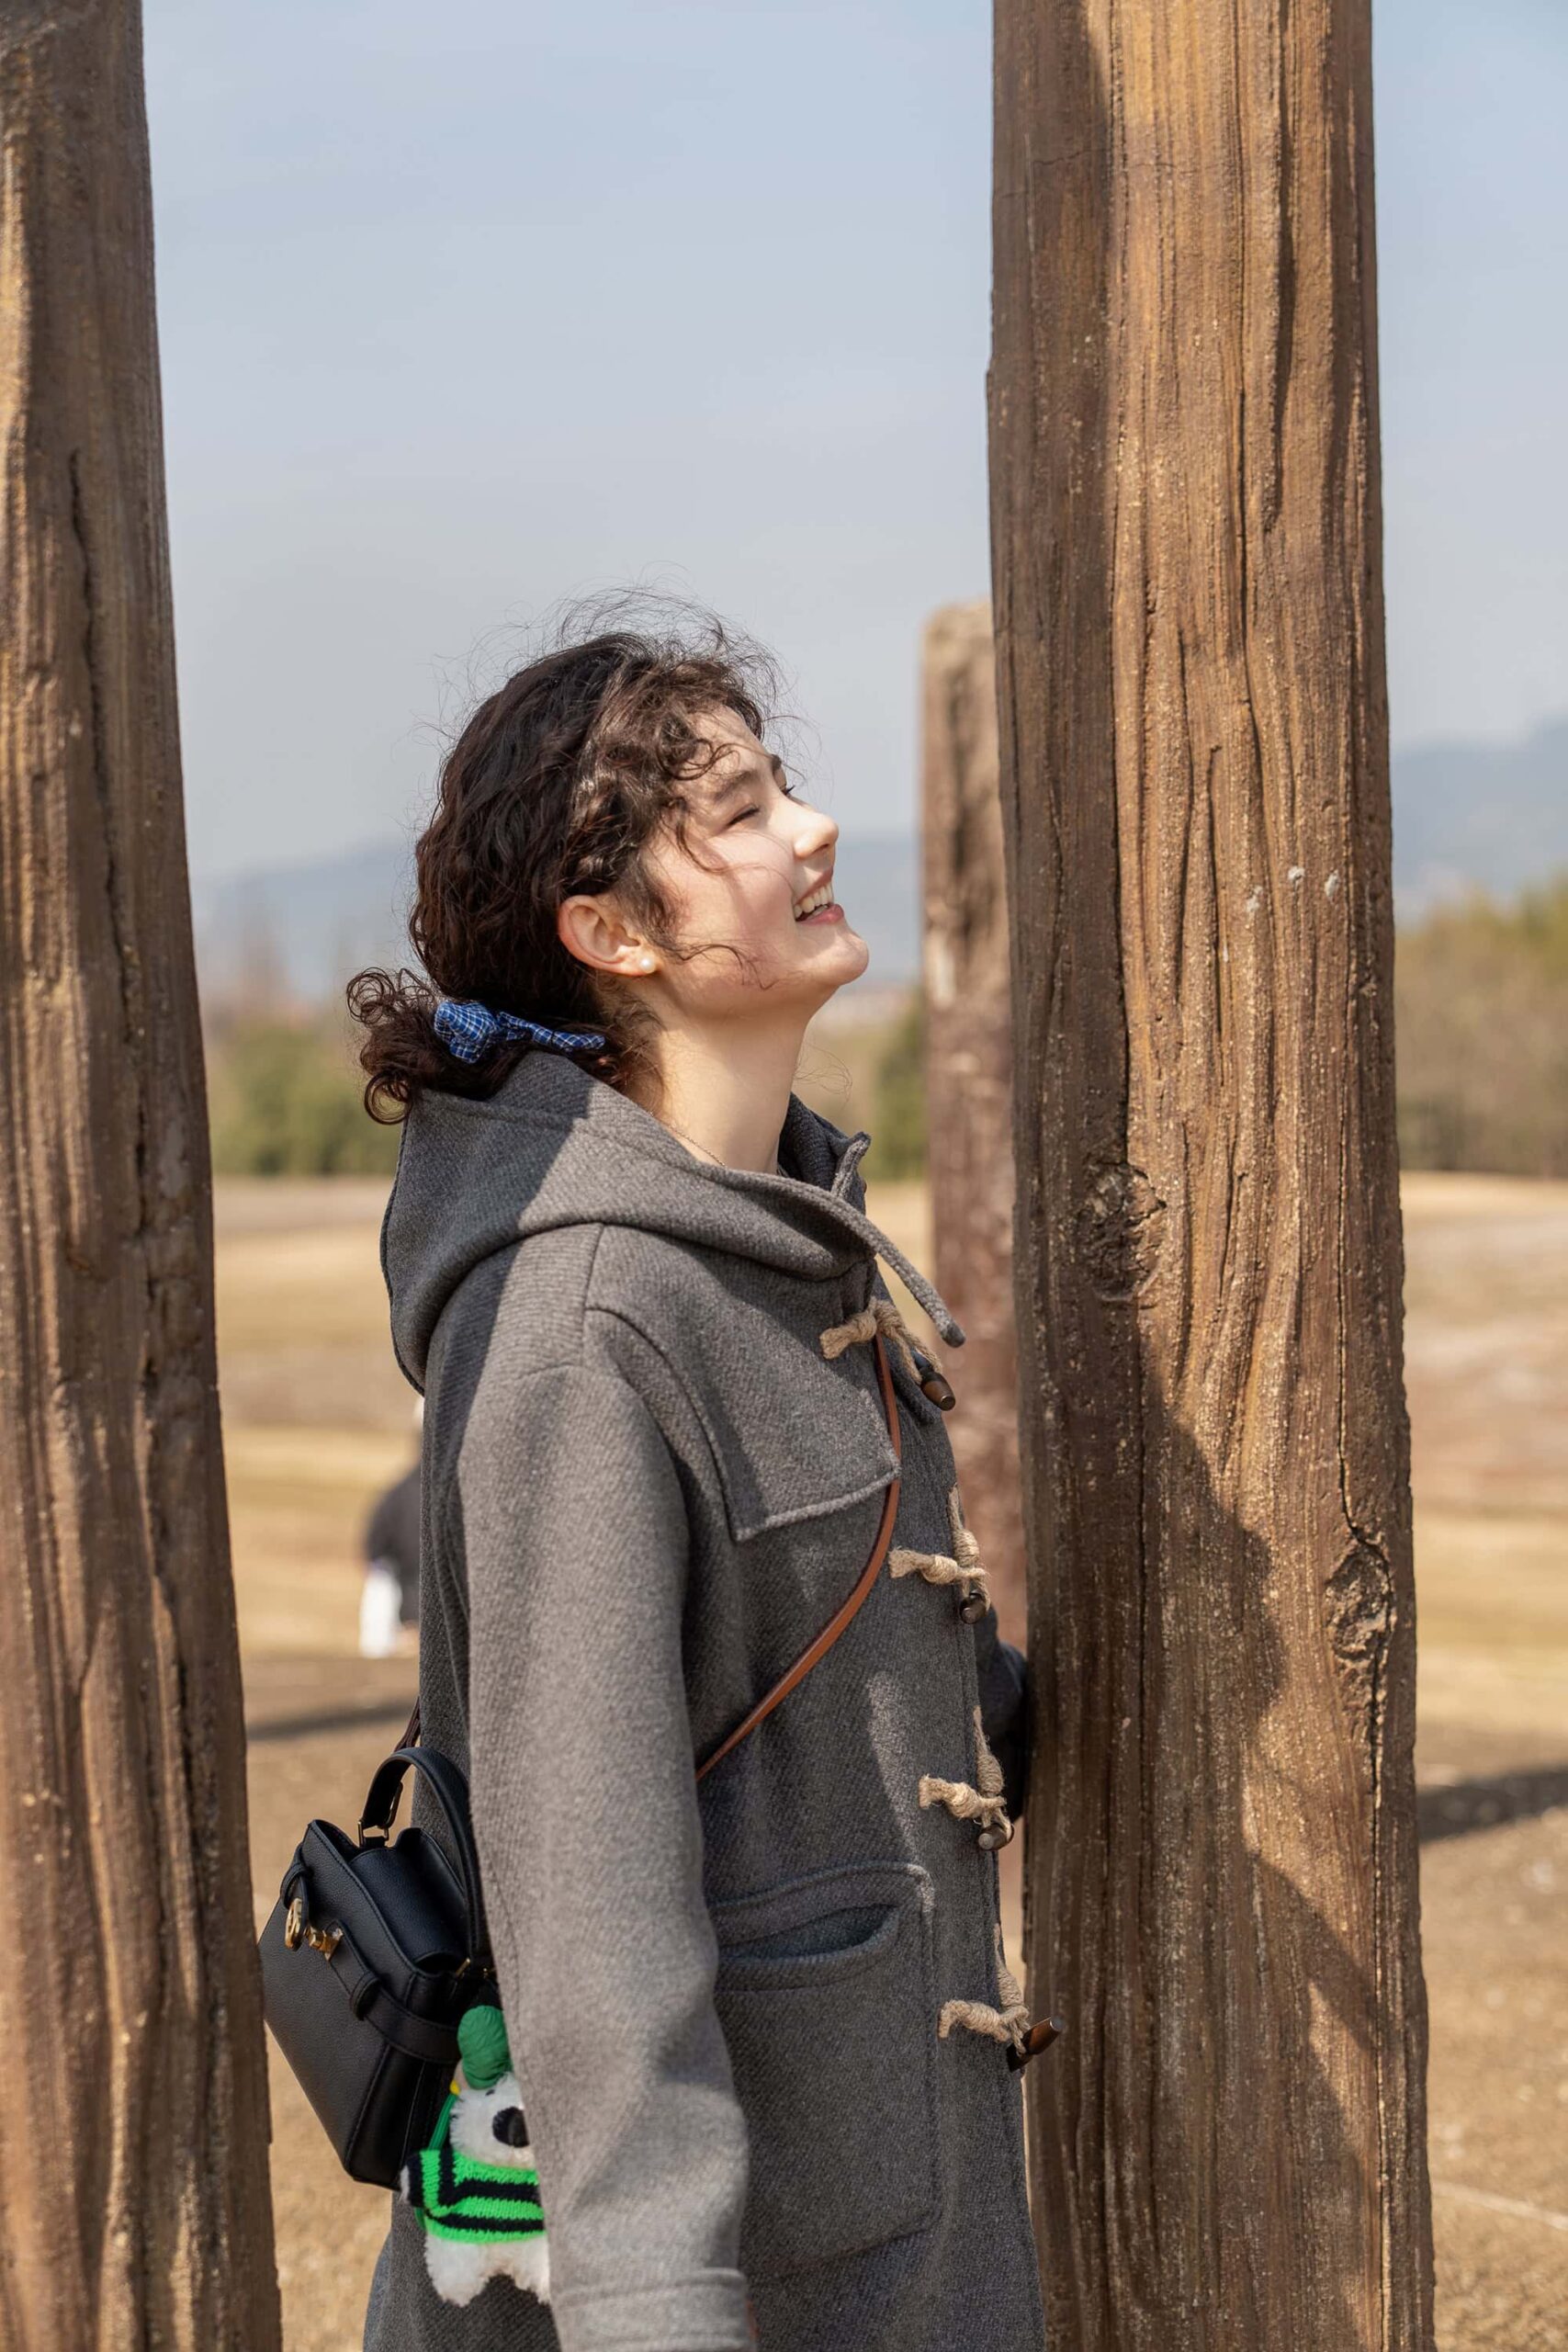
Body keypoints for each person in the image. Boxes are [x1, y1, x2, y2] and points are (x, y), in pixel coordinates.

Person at [350, 615, 1043, 2352]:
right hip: (724, 2285)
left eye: (781, 788)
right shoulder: (586, 1325)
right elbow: (590, 1927)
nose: (808, 831)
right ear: (610, 934)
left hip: (879, 2225)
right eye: (732, 815)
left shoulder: (767, 1240)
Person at [359, 1402, 423, 1658]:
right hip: (410, 1613)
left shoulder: (399, 1493)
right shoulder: (401, 1495)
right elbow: (376, 1551)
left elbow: (375, 1547)